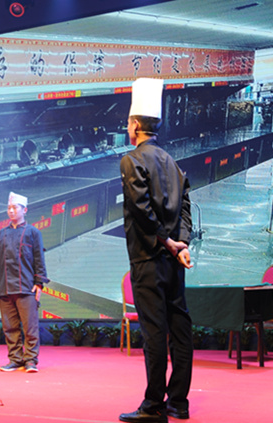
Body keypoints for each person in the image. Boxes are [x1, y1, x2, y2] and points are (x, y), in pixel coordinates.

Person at [118, 78, 193, 423]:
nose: (127, 128)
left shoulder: (131, 160)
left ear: (136, 125)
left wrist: (165, 241)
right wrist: (181, 243)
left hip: (147, 259)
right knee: (180, 329)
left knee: (154, 333)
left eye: (128, 123)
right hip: (173, 260)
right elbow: (186, 207)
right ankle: (179, 403)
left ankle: (153, 404)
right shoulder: (172, 163)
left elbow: (141, 209)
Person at [0, 192, 48, 373]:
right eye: (9, 208)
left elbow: (39, 259)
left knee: (30, 327)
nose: (11, 211)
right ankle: (15, 359)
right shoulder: (1, 234)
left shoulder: (33, 232)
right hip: (5, 288)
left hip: (26, 287)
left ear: (25, 210)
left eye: (14, 207)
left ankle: (30, 360)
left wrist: (39, 283)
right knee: (10, 327)